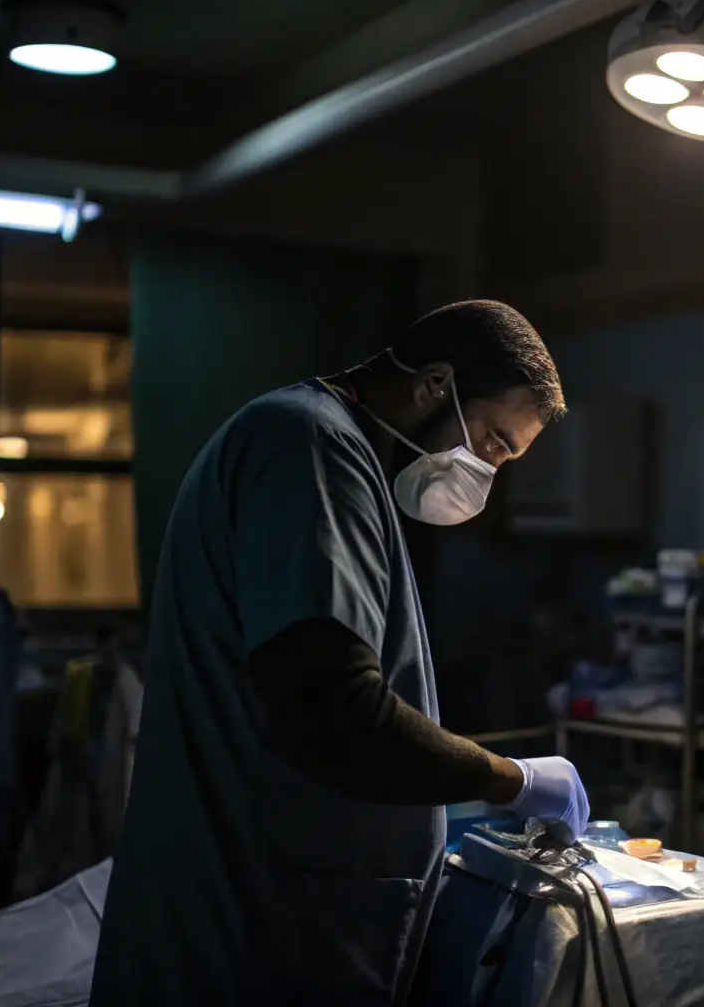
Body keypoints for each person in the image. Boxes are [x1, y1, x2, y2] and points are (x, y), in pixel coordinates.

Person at [89, 300, 590, 1006]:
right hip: (253, 924)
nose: (486, 470)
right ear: (432, 385)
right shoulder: (310, 449)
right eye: (493, 443)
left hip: (277, 906)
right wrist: (509, 778)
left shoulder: (323, 448)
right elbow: (334, 710)